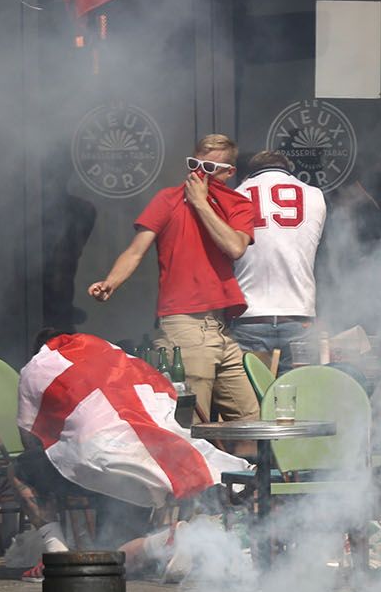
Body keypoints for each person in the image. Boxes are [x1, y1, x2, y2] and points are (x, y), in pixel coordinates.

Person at [88, 134, 260, 423]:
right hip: (184, 322)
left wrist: (201, 203)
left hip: (220, 325)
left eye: (208, 168)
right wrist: (110, 282)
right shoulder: (168, 199)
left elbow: (234, 247)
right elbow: (135, 251)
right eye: (194, 164)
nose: (197, 173)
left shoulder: (238, 204)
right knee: (193, 422)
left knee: (249, 419)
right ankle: (202, 469)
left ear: (229, 173)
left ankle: (242, 468)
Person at [230, 150, 326, 367]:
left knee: (253, 399)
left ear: (249, 173)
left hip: (250, 317)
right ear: (288, 169)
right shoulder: (314, 195)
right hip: (298, 315)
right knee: (299, 397)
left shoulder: (236, 195)